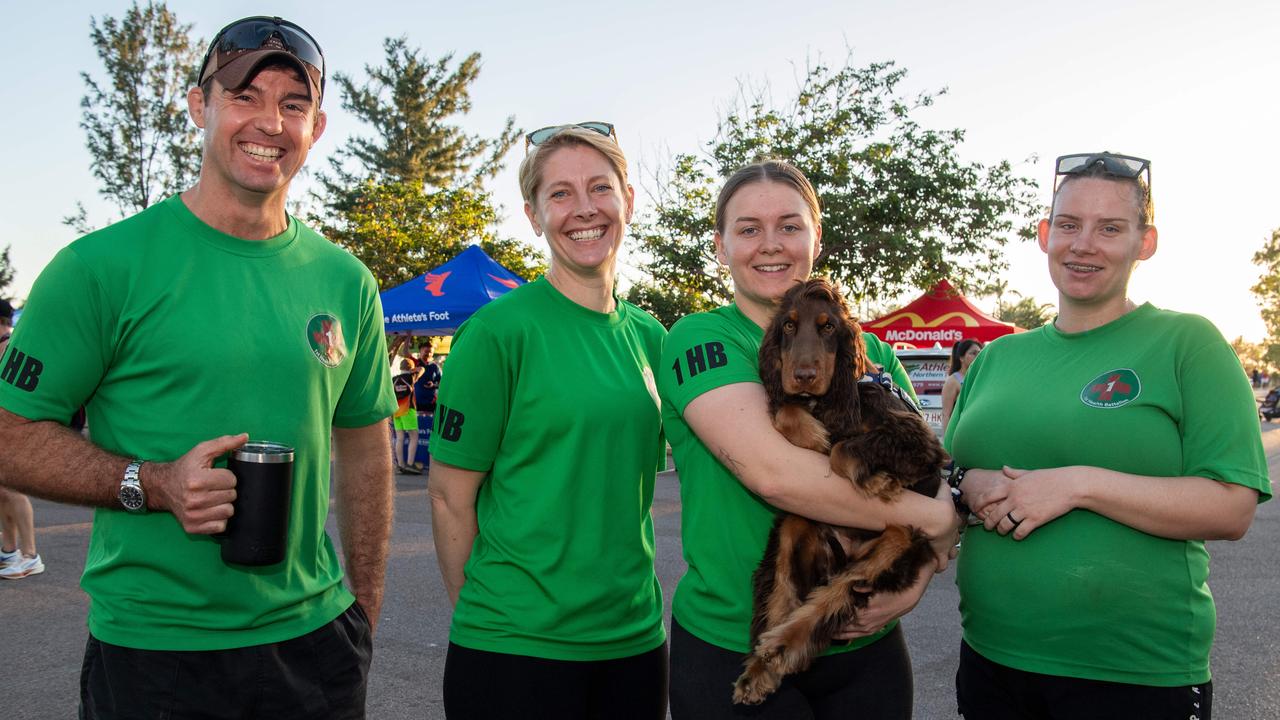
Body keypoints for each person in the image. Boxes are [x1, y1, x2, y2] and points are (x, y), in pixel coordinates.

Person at [0, 16, 395, 718]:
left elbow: (366, 449)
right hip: (156, 657)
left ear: (318, 126)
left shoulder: (346, 280)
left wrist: (361, 612)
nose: (270, 121)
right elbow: (8, 435)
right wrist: (150, 483)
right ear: (198, 106)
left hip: (316, 648)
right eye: (245, 95)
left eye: (294, 104)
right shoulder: (100, 268)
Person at [946, 152, 1270, 720]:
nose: (1084, 244)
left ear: (1145, 243)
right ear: (1045, 235)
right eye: (1068, 225)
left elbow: (1231, 506)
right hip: (991, 661)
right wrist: (968, 484)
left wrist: (1079, 485)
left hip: (1134, 674)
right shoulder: (995, 358)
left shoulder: (1186, 343)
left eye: (1110, 228)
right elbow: (947, 471)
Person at [657, 159, 962, 719]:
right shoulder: (702, 337)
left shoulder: (869, 352)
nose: (770, 244)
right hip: (731, 642)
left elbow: (922, 472)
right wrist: (938, 522)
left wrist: (916, 575)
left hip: (866, 647)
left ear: (815, 237)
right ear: (720, 245)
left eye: (789, 226)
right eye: (748, 228)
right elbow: (776, 475)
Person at [428, 123, 668, 719]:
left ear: (628, 200)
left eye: (599, 188)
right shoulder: (497, 334)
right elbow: (449, 499)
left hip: (634, 642)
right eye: (559, 194)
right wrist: (487, 619)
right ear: (534, 216)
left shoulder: (653, 340)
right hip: (514, 650)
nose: (583, 209)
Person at [0, 298, 44, 580]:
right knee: (2, 491)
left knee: (14, 489)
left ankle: (31, 556)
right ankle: (9, 549)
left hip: (13, 430)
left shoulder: (11, 345)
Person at [941, 338, 982, 434]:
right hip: (960, 434)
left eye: (979, 353)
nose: (977, 357)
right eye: (973, 353)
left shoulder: (980, 378)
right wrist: (947, 442)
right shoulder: (953, 381)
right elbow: (946, 415)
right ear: (961, 358)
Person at [392, 357, 423, 474]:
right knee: (413, 436)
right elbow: (422, 369)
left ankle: (400, 465)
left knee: (399, 438)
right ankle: (410, 464)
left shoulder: (393, 379)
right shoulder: (411, 377)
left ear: (400, 367)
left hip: (396, 411)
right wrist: (414, 369)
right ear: (411, 368)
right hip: (408, 410)